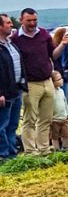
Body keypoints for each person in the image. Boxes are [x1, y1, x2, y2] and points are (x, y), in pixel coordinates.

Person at [12, 8, 68, 156]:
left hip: (47, 81)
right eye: (29, 21)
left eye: (34, 20)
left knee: (45, 120)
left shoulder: (43, 34)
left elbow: (53, 55)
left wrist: (62, 44)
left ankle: (44, 149)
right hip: (30, 84)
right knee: (29, 120)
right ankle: (31, 151)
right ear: (21, 20)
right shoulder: (16, 39)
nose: (32, 23)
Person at [0, 14, 25, 161]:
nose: (11, 25)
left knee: (12, 124)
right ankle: (3, 155)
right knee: (2, 125)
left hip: (16, 90)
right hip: (5, 93)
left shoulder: (10, 44)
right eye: (8, 23)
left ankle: (12, 151)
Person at [49, 71, 68, 151]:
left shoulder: (61, 91)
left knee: (66, 134)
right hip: (55, 120)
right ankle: (57, 149)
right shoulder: (50, 94)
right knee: (54, 136)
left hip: (64, 119)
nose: (62, 80)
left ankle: (65, 147)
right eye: (59, 79)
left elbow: (65, 103)